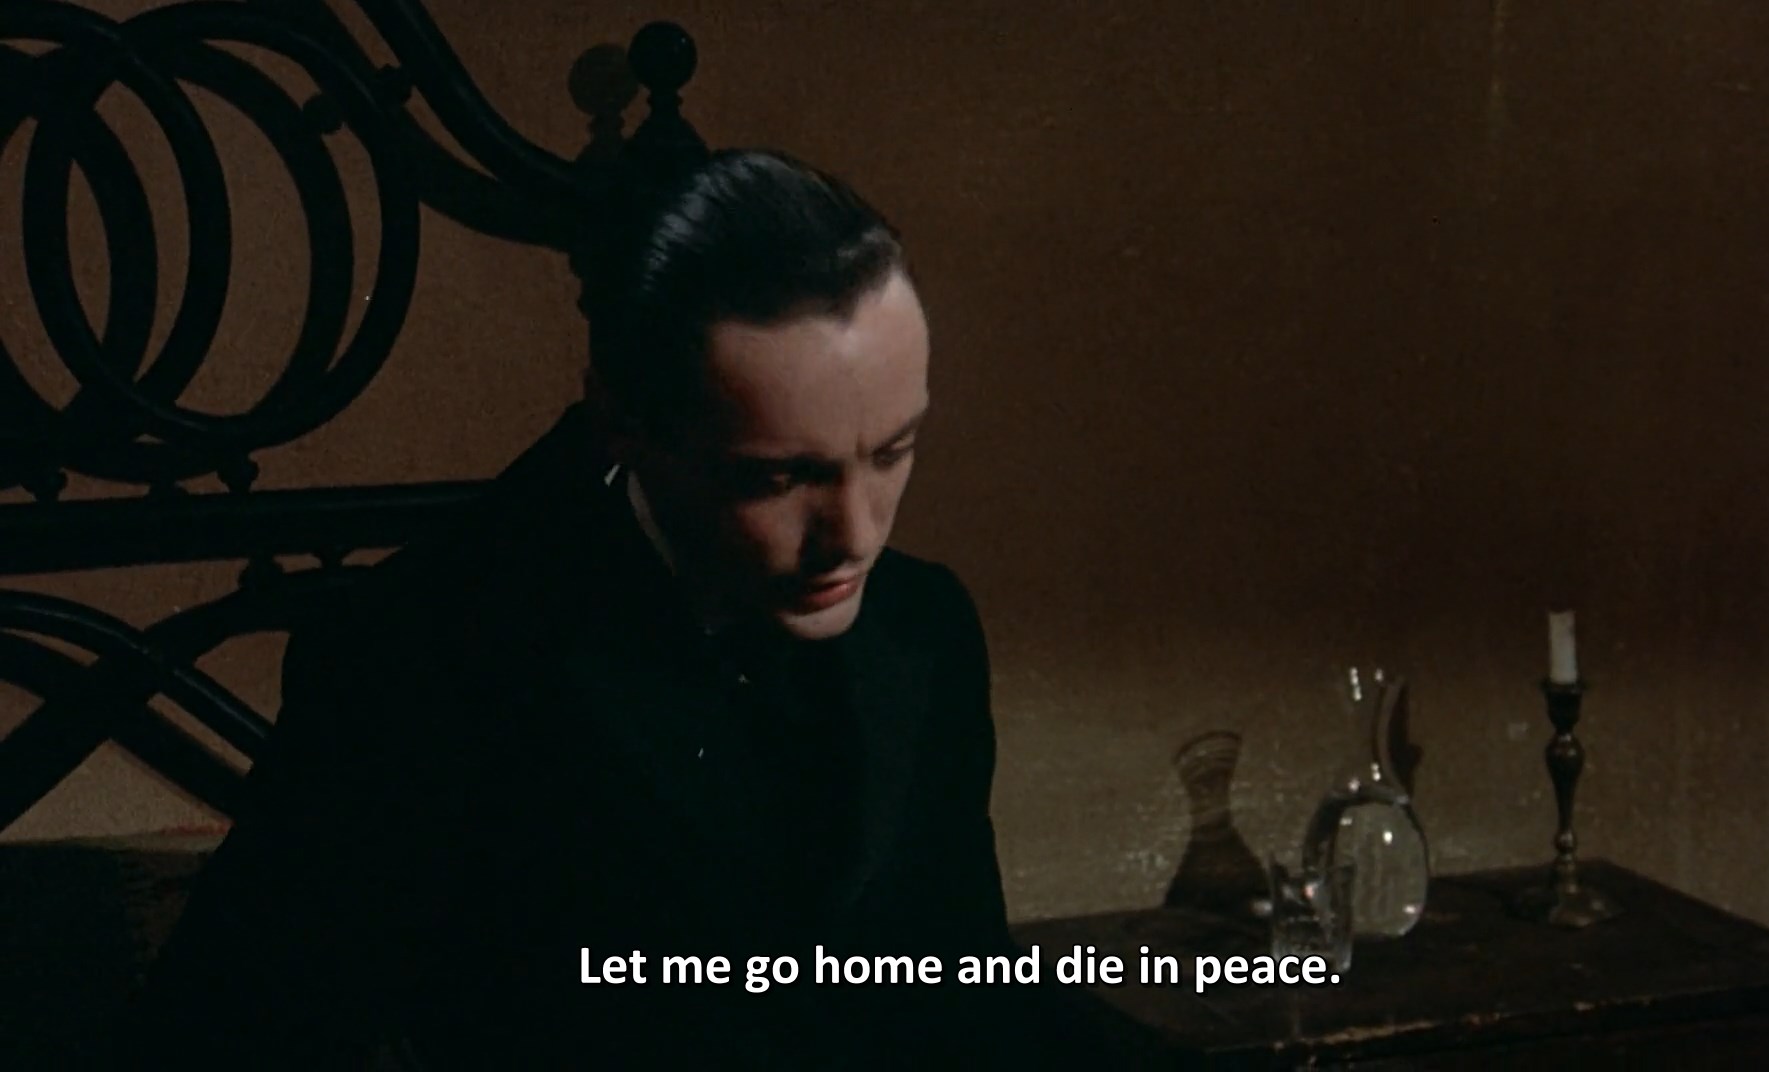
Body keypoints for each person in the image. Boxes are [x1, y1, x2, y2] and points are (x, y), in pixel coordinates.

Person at [123, 150, 1178, 1069]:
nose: (854, 533)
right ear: (621, 418)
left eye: (892, 452)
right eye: (777, 478)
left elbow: (963, 998)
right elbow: (233, 1037)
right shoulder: (430, 655)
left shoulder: (924, 626)